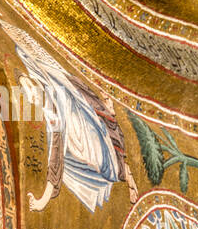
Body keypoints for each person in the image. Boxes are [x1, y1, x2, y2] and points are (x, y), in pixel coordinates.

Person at [14, 36, 139, 213]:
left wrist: (44, 199)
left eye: (30, 89)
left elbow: (55, 154)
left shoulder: (55, 92)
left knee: (105, 161)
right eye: (27, 94)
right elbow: (55, 153)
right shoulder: (50, 108)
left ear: (35, 82)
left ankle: (124, 172)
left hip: (86, 131)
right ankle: (124, 172)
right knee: (102, 164)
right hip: (80, 141)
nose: (30, 96)